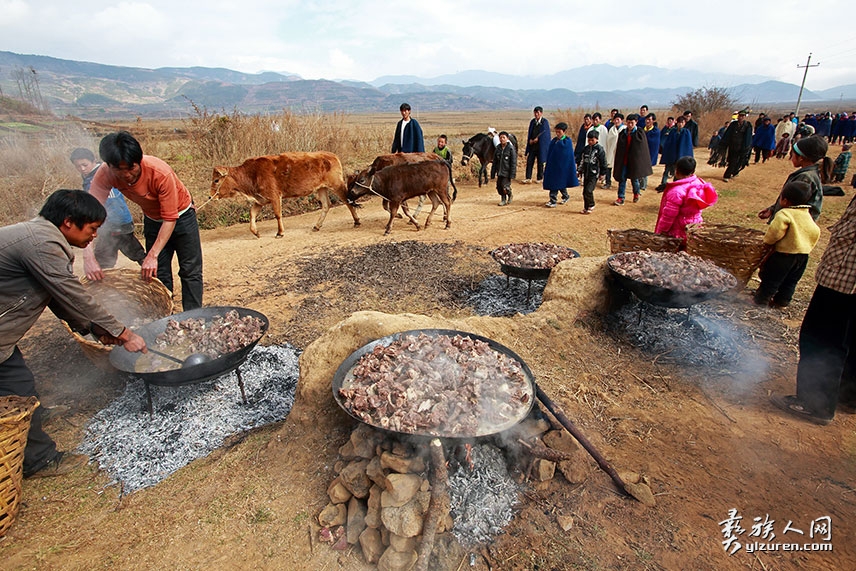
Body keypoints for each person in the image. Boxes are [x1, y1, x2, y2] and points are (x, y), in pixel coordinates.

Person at [0, 189, 147, 478]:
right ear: (68, 222)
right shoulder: (41, 244)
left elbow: (57, 298)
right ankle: (38, 460)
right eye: (92, 229)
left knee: (17, 381)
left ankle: (31, 415)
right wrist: (124, 333)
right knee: (17, 386)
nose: (94, 236)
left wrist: (94, 329)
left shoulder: (40, 236)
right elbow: (75, 295)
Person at [88, 131, 204, 311]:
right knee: (158, 273)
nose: (126, 175)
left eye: (131, 168)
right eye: (119, 169)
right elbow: (88, 215)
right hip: (152, 219)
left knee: (190, 270)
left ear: (139, 161)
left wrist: (152, 255)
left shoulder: (159, 172)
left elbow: (169, 217)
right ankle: (167, 316)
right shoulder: (104, 174)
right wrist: (89, 257)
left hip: (181, 216)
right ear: (108, 165)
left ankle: (194, 316)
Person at [769, 188, 856, 425]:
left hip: (846, 278)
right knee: (848, 336)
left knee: (822, 337)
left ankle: (814, 403)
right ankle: (847, 394)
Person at [70, 148, 146, 270]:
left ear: (94, 161)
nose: (82, 169)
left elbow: (111, 204)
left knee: (131, 254)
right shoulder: (97, 174)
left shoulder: (102, 176)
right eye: (78, 166)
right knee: (126, 254)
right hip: (112, 224)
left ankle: (155, 277)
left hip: (117, 222)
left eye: (85, 165)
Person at [753, 181, 820, 308]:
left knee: (771, 279)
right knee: (791, 281)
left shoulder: (784, 214)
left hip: (784, 256)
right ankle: (782, 301)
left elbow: (775, 232)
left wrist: (767, 242)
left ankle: (761, 300)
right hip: (802, 257)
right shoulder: (807, 214)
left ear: (785, 200)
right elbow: (815, 231)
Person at [759, 135, 832, 223]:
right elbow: (790, 199)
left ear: (801, 157)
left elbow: (794, 206)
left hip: (791, 225)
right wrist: (772, 209)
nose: (791, 157)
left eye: (792, 154)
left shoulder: (805, 178)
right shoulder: (811, 173)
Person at [654, 156, 717, 243]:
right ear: (693, 171)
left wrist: (659, 233)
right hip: (693, 229)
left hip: (677, 233)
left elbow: (668, 217)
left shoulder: (676, 192)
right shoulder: (699, 184)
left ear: (676, 170)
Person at [612, 113, 652, 205]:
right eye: (628, 123)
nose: (630, 125)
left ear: (636, 122)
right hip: (624, 161)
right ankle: (620, 197)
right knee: (622, 179)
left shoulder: (640, 133)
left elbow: (641, 150)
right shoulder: (623, 133)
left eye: (632, 123)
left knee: (634, 179)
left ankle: (636, 193)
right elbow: (620, 149)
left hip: (634, 162)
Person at [542, 122, 579, 207]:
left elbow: (567, 157)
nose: (557, 134)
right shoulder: (554, 141)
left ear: (564, 131)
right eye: (556, 132)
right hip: (553, 167)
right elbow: (550, 154)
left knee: (558, 182)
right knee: (558, 182)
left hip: (562, 168)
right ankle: (565, 196)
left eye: (559, 132)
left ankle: (553, 200)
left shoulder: (567, 142)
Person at [657, 115, 694, 191]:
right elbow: (668, 143)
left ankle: (676, 185)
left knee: (677, 172)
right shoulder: (673, 131)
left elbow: (687, 146)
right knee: (667, 171)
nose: (680, 124)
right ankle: (663, 184)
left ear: (684, 123)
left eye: (682, 122)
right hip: (671, 156)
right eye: (679, 122)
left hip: (680, 156)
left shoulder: (686, 132)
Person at [576, 130, 607, 214]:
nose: (590, 142)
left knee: (589, 190)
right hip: (586, 173)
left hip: (594, 173)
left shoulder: (599, 150)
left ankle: (591, 204)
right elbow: (582, 161)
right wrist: (578, 171)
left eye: (592, 140)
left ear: (596, 139)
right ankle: (586, 207)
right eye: (589, 140)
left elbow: (603, 162)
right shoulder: (585, 149)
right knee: (584, 191)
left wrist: (602, 173)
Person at [720, 111, 753, 181]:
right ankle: (730, 173)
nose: (741, 117)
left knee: (738, 161)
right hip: (732, 146)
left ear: (744, 117)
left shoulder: (747, 125)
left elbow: (748, 137)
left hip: (741, 147)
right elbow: (727, 134)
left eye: (742, 116)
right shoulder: (733, 124)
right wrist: (723, 143)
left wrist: (746, 147)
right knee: (731, 160)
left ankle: (730, 173)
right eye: (740, 116)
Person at [523, 106, 550, 183]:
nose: (536, 114)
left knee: (540, 162)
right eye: (535, 112)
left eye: (538, 112)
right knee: (529, 161)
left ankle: (540, 178)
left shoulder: (544, 122)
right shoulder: (532, 122)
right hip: (532, 146)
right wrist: (530, 140)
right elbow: (530, 133)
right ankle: (528, 177)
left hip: (541, 146)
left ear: (541, 113)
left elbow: (546, 135)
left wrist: (539, 139)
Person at [493, 131, 517, 206]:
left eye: (504, 137)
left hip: (507, 172)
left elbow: (513, 162)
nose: (502, 139)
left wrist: (512, 174)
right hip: (499, 171)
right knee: (499, 186)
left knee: (505, 186)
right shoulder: (498, 148)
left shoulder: (511, 149)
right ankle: (503, 199)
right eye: (500, 138)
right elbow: (495, 162)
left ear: (507, 138)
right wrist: (493, 172)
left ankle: (509, 195)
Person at [603, 113, 625, 190]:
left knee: (621, 169)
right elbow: (609, 140)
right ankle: (608, 182)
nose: (616, 121)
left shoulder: (624, 130)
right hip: (611, 151)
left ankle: (621, 184)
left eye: (618, 119)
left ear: (622, 120)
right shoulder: (612, 130)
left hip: (620, 153)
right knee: (608, 166)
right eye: (615, 119)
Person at [641, 113, 660, 191]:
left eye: (649, 119)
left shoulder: (656, 131)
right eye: (646, 119)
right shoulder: (642, 129)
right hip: (641, 152)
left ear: (653, 121)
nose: (647, 121)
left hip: (649, 153)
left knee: (645, 169)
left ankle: (643, 185)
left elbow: (654, 143)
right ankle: (641, 184)